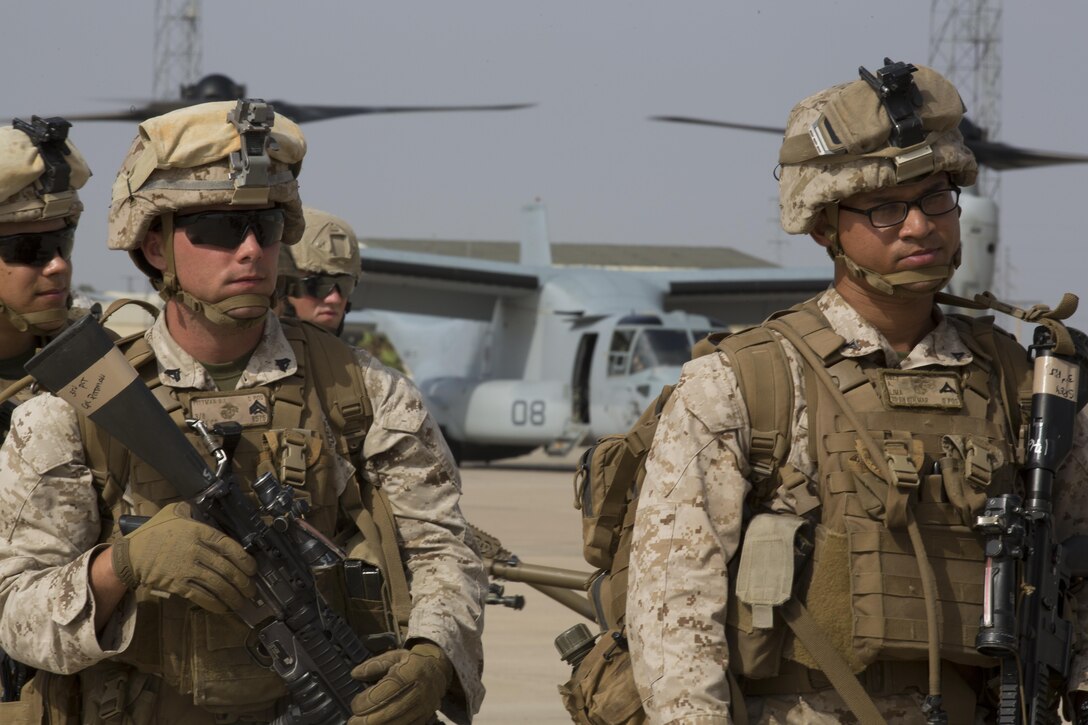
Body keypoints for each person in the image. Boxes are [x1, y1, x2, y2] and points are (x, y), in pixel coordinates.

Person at [626, 59, 1088, 723]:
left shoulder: (1027, 386)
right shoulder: (745, 385)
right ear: (823, 226)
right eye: (885, 208)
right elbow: (673, 607)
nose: (920, 226)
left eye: (936, 198)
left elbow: (1076, 564)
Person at [0, 100, 485, 725]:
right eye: (220, 231)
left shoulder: (364, 393)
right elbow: (17, 613)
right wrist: (122, 565)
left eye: (267, 227)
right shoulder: (71, 411)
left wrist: (433, 654)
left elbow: (446, 551)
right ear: (155, 244)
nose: (252, 251)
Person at [278, 206, 405, 371]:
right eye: (316, 285)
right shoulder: (246, 370)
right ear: (281, 288)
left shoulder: (371, 380)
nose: (334, 298)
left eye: (345, 285)